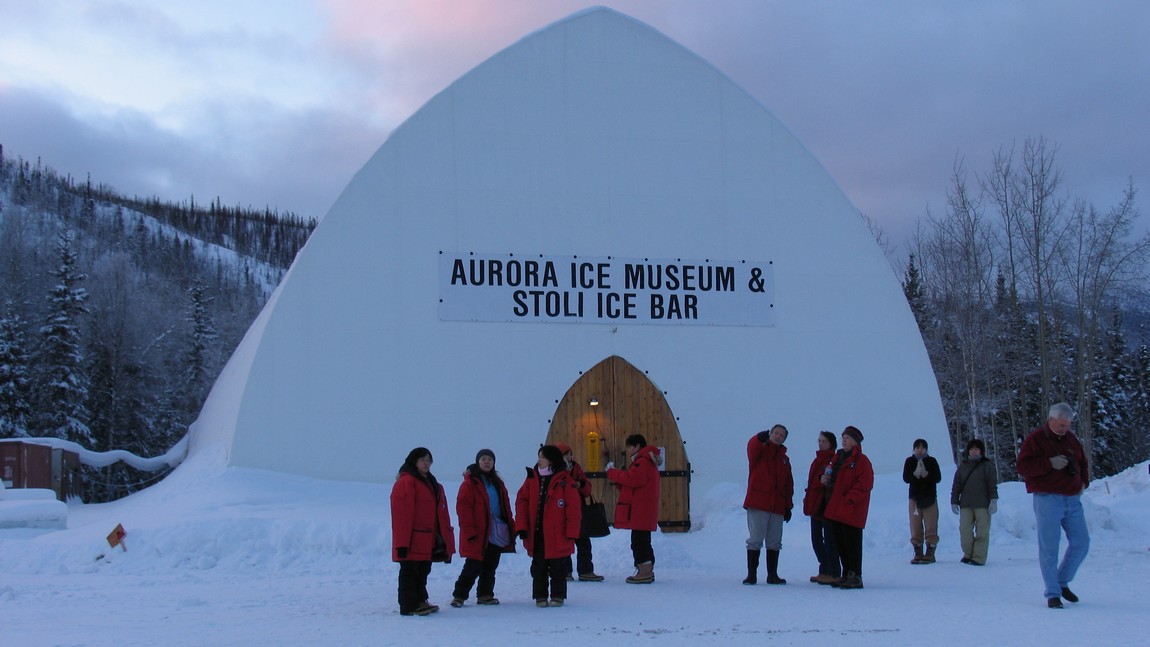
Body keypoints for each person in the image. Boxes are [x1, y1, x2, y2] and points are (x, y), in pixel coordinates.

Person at [1016, 402, 1090, 609]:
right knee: (1049, 548)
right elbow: (1022, 467)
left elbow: (1082, 461)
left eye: (1067, 426)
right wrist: (1049, 463)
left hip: (1073, 499)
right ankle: (1052, 593)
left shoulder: (1071, 439)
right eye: (1061, 425)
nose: (1064, 429)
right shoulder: (1036, 439)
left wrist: (1084, 481)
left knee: (1081, 543)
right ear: (1051, 420)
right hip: (1048, 499)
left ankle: (1061, 581)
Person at [390, 447, 456, 616]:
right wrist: (402, 544)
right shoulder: (407, 482)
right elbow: (402, 516)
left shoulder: (432, 483)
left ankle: (420, 600)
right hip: (412, 539)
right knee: (410, 572)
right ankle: (408, 605)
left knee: (422, 571)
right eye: (422, 460)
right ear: (414, 461)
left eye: (429, 460)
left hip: (427, 538)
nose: (426, 463)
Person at [515, 445, 582, 607]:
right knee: (539, 566)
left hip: (558, 533)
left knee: (558, 566)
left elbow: (573, 509)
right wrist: (522, 526)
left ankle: (558, 596)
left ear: (552, 460)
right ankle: (540, 596)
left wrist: (572, 532)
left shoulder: (564, 480)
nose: (539, 460)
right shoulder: (532, 478)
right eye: (539, 456)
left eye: (543, 457)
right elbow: (521, 501)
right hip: (537, 533)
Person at [450, 449, 515, 608]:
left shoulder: (498, 483)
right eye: (484, 459)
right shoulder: (470, 483)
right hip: (478, 532)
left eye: (490, 460)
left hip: (496, 530)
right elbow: (463, 509)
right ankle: (459, 596)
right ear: (478, 462)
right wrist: (469, 530)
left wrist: (510, 526)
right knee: (473, 565)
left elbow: (505, 506)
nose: (487, 462)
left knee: (490, 565)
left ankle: (485, 595)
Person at [821, 426, 873, 590]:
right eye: (843, 438)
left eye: (847, 438)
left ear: (856, 442)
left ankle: (855, 575)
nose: (844, 441)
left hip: (851, 509)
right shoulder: (838, 458)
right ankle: (846, 573)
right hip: (836, 508)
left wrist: (850, 498)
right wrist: (824, 480)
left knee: (852, 543)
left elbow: (865, 483)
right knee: (840, 543)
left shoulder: (861, 460)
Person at [606, 433, 662, 583]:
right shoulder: (647, 461)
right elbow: (634, 483)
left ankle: (644, 571)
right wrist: (620, 481)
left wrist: (613, 473)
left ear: (637, 446)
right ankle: (647, 570)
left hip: (640, 510)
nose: (629, 450)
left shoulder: (642, 462)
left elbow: (632, 479)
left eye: (630, 447)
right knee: (643, 540)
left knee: (639, 542)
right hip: (644, 509)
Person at [742, 424, 794, 585]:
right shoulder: (760, 452)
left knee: (774, 540)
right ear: (770, 434)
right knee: (756, 538)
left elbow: (788, 485)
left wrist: (787, 506)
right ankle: (752, 575)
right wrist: (759, 437)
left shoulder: (784, 460)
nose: (778, 436)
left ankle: (772, 574)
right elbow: (752, 446)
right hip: (759, 503)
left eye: (782, 435)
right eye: (776, 433)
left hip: (777, 506)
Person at [557, 442, 605, 582]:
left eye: (569, 454)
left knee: (583, 541)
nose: (568, 457)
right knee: (565, 542)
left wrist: (580, 485)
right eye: (565, 454)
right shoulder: (555, 470)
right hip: (561, 511)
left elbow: (587, 488)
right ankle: (565, 572)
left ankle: (586, 571)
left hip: (578, 511)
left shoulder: (576, 468)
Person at [950, 438, 998, 566]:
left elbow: (992, 485)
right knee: (965, 530)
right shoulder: (963, 466)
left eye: (976, 449)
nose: (974, 452)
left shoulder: (987, 466)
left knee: (982, 531)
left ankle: (979, 557)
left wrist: (993, 500)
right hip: (966, 504)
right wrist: (954, 501)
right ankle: (968, 553)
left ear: (981, 451)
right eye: (971, 449)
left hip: (983, 504)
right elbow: (956, 485)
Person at [803, 431, 840, 585]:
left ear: (831, 443)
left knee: (830, 541)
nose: (820, 443)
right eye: (819, 440)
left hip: (828, 505)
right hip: (816, 505)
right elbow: (812, 482)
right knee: (816, 539)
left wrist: (821, 480)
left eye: (824, 441)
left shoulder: (835, 459)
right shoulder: (817, 460)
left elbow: (833, 480)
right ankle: (824, 568)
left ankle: (833, 571)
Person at [902, 438, 943, 564]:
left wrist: (926, 475)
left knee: (931, 525)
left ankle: (930, 551)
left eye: (922, 448)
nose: (920, 450)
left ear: (926, 449)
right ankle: (918, 551)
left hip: (930, 497)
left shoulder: (932, 461)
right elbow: (906, 478)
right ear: (913, 449)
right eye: (917, 448)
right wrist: (915, 474)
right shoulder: (909, 461)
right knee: (915, 526)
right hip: (914, 499)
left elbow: (937, 478)